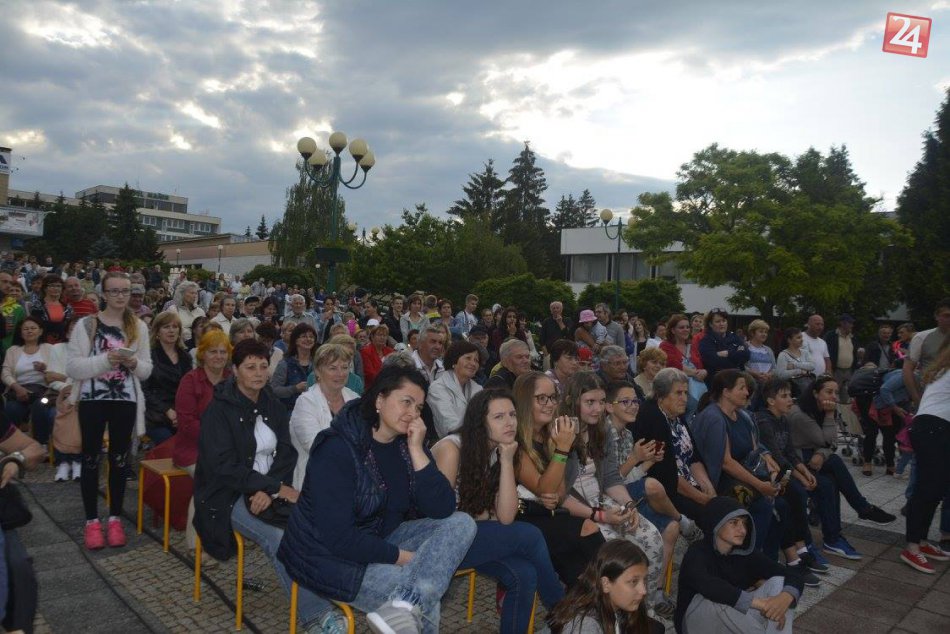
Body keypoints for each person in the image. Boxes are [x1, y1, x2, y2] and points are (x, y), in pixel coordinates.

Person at [277, 364, 478, 634]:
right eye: (406, 402)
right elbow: (339, 538)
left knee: (462, 523)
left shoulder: (407, 444)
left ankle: (404, 605)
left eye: (419, 407)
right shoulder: (336, 448)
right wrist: (406, 559)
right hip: (329, 558)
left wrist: (417, 451)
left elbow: (442, 508)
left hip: (381, 537)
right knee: (422, 593)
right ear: (380, 400)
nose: (413, 413)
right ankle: (407, 605)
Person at [193, 339, 337, 631]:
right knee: (279, 538)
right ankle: (316, 616)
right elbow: (224, 467)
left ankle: (330, 587)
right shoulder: (218, 411)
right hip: (226, 494)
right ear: (235, 371)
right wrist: (273, 488)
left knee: (317, 521)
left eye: (262, 366)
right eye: (250, 367)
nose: (259, 373)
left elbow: (286, 452)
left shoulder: (272, 403)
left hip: (267, 487)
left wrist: (269, 488)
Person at [432, 389, 565, 634]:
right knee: (530, 535)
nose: (510, 422)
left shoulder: (501, 451)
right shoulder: (452, 449)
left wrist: (506, 462)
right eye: (499, 416)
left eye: (512, 415)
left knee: (524, 574)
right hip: (441, 540)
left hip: (473, 535)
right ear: (479, 422)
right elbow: (438, 515)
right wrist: (481, 517)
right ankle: (564, 613)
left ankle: (559, 616)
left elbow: (505, 517)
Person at [66, 271, 152, 550]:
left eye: (125, 291)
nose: (120, 296)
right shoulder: (86, 324)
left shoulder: (138, 326)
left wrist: (133, 364)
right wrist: (106, 360)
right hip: (92, 399)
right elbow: (73, 367)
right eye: (114, 291)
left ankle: (115, 518)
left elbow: (147, 370)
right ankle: (91, 520)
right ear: (104, 294)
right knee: (91, 458)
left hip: (124, 399)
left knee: (119, 460)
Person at [512, 371, 606, 587]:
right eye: (541, 398)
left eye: (553, 397)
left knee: (580, 566)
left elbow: (560, 494)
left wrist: (558, 448)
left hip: (550, 514)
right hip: (521, 517)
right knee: (586, 529)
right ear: (525, 401)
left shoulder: (548, 436)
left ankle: (586, 600)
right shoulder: (515, 441)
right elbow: (544, 489)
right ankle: (607, 591)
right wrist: (562, 448)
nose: (550, 404)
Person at [788, 375, 896, 559]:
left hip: (812, 459)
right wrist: (830, 416)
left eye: (836, 392)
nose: (834, 396)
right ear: (815, 393)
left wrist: (822, 453)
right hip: (797, 463)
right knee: (833, 468)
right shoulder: (801, 414)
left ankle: (835, 537)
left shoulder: (820, 409)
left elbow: (831, 444)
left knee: (830, 480)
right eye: (828, 392)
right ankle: (860, 511)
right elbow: (827, 440)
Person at [689, 370, 785, 556]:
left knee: (782, 503)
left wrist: (770, 466)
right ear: (726, 392)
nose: (747, 393)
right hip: (719, 481)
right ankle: (746, 558)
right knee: (762, 506)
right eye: (741, 388)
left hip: (743, 474)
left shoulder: (742, 416)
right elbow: (725, 463)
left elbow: (755, 449)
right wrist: (760, 485)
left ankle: (768, 560)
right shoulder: (714, 418)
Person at [676, 496, 803, 634]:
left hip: (732, 622)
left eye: (744, 523)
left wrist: (785, 598)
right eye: (734, 523)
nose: (742, 530)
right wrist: (760, 604)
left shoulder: (747, 554)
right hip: (695, 623)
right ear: (716, 523)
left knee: (780, 583)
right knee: (716, 601)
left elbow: (793, 574)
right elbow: (708, 585)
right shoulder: (697, 552)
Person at [755, 378, 833, 576]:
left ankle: (802, 548)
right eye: (784, 396)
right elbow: (777, 457)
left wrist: (805, 472)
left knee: (803, 492)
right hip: (770, 472)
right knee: (793, 495)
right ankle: (798, 551)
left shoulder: (783, 419)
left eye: (790, 395)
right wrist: (800, 477)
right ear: (770, 401)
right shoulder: (764, 421)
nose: (790, 399)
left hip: (783, 470)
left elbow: (790, 452)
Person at [172, 329, 231, 555]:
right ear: (202, 354)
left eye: (223, 352)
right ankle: (196, 544)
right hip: (193, 450)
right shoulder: (190, 381)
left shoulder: (232, 380)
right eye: (213, 351)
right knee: (209, 480)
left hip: (226, 449)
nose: (218, 356)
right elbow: (186, 424)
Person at [631, 368, 717, 525]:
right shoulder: (652, 417)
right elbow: (665, 472)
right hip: (667, 490)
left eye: (685, 393)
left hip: (688, 483)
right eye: (678, 393)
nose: (684, 398)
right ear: (661, 395)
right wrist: (701, 498)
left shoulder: (676, 414)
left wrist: (708, 488)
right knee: (711, 516)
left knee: (722, 505)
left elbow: (693, 456)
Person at [900, 344, 950, 573]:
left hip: (934, 427)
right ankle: (912, 546)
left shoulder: (943, 369)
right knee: (927, 489)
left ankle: (920, 541)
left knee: (936, 489)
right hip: (933, 428)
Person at [547, 539, 663, 634]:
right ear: (606, 584)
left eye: (644, 580)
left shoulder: (616, 604)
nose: (643, 590)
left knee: (657, 628)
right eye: (633, 582)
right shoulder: (585, 627)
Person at [288, 343, 359, 490]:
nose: (340, 373)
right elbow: (316, 446)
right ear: (318, 371)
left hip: (352, 482)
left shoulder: (355, 399)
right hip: (315, 483)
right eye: (333, 368)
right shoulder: (306, 402)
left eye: (344, 367)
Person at [2, 317, 55, 447]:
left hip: (43, 391)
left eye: (33, 328)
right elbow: (5, 373)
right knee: (11, 409)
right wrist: (17, 388)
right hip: (18, 390)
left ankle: (41, 443)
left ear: (40, 331)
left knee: (40, 407)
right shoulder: (13, 350)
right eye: (25, 329)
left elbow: (57, 371)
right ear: (20, 332)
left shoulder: (49, 348)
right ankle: (10, 445)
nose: (29, 331)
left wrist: (44, 369)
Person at [143, 312, 193, 446]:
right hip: (155, 415)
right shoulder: (148, 356)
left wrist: (180, 413)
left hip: (181, 413)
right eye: (166, 327)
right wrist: (167, 410)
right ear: (157, 332)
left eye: (175, 327)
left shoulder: (186, 357)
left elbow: (189, 389)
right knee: (170, 444)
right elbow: (144, 391)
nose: (171, 330)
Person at [427, 340, 483, 438]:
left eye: (476, 360)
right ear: (454, 361)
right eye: (468, 358)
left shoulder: (479, 389)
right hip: (450, 443)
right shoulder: (438, 388)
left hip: (477, 441)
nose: (473, 363)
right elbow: (449, 426)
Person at [270, 323, 317, 410]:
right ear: (296, 340)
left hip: (315, 409)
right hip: (291, 410)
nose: (308, 339)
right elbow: (274, 390)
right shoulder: (285, 364)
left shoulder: (318, 363)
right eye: (304, 336)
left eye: (311, 337)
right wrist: (294, 388)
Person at [698, 308, 748, 385]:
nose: (722, 324)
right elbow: (712, 361)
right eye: (718, 321)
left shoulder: (735, 337)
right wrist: (736, 356)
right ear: (710, 324)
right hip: (717, 381)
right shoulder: (706, 341)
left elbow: (746, 355)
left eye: (724, 321)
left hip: (738, 380)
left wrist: (728, 353)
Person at [824, 314, 858, 403]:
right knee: (832, 394)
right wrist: (829, 369)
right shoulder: (831, 335)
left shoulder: (853, 337)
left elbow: (854, 353)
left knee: (846, 397)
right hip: (835, 371)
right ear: (842, 323)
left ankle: (843, 411)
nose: (852, 325)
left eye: (852, 323)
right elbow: (824, 352)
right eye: (849, 323)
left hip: (849, 371)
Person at [774, 328, 817, 397]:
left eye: (801, 337)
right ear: (789, 340)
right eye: (798, 338)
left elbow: (812, 366)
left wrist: (794, 365)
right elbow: (781, 375)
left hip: (807, 385)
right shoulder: (783, 355)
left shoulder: (805, 352)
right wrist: (799, 371)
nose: (802, 340)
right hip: (792, 390)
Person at [30, 274, 72, 345]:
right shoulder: (37, 305)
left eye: (58, 286)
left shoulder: (67, 307)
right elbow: (35, 325)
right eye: (52, 285)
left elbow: (68, 327)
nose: (56, 288)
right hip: (42, 343)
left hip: (62, 344)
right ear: (45, 288)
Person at [359, 323, 394, 388]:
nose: (382, 337)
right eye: (379, 335)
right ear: (372, 337)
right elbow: (370, 374)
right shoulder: (365, 351)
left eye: (384, 335)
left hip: (390, 385)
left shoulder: (391, 352)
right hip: (372, 386)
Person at [745, 320, 776, 388]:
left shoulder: (768, 350)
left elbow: (774, 368)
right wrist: (755, 374)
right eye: (761, 331)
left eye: (766, 332)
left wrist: (769, 375)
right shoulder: (745, 347)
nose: (764, 334)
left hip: (767, 385)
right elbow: (741, 367)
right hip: (750, 384)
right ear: (752, 333)